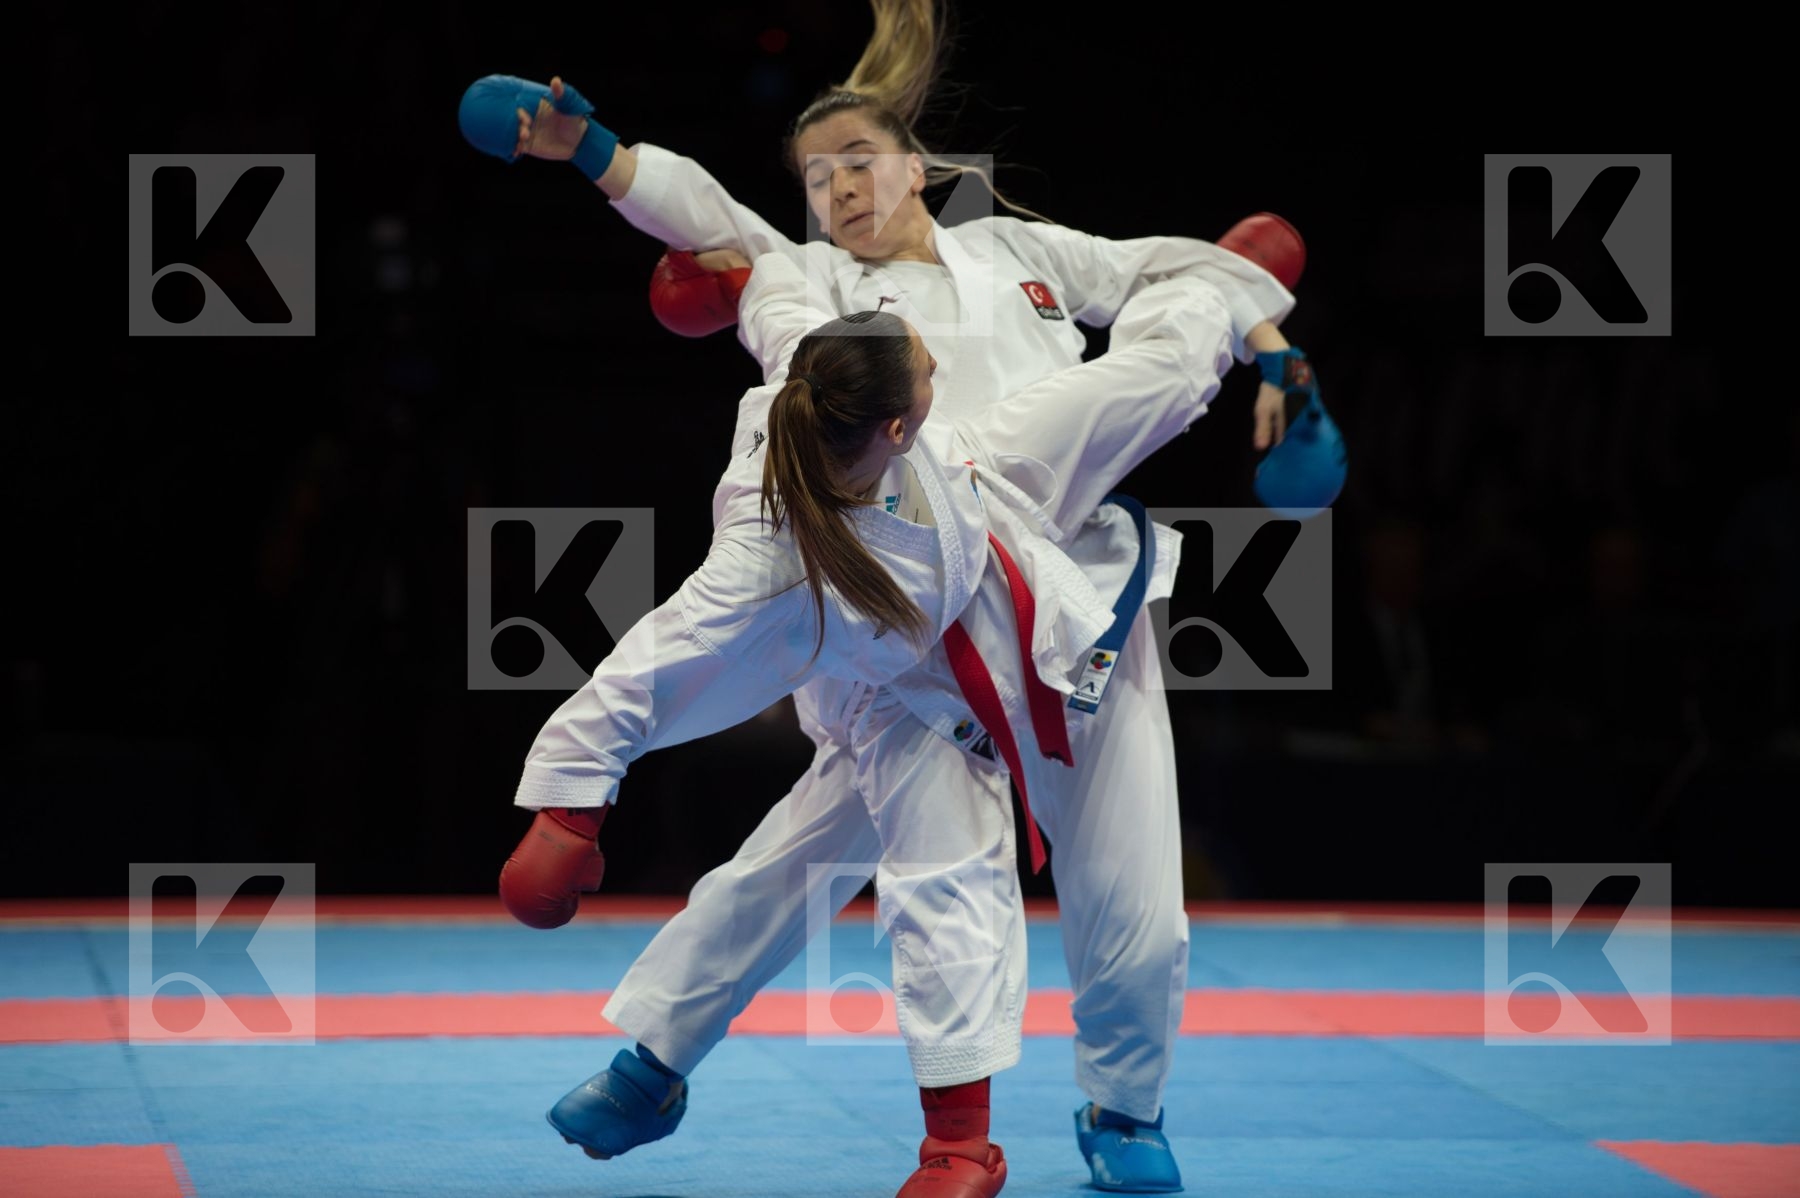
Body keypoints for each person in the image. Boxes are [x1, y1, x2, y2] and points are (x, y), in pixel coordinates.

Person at [460, 3, 1319, 1189]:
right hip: (902, 588)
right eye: (816, 177)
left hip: (1068, 592)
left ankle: (1122, 1112)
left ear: (919, 166)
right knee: (818, 864)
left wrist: (1264, 327)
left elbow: (1162, 277)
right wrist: (598, 156)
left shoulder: (1022, 253)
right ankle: (667, 1062)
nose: (839, 187)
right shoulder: (811, 284)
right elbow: (714, 219)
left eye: (859, 159)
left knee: (1132, 909)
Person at [506, 246, 1239, 1195]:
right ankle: (957, 1145)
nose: (935, 359)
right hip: (913, 706)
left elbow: (780, 315)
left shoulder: (815, 385)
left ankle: (1220, 287)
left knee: (1149, 377)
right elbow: (653, 661)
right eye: (926, 365)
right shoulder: (762, 557)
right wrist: (570, 804)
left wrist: (744, 281)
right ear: (898, 424)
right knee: (940, 890)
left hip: (994, 497)